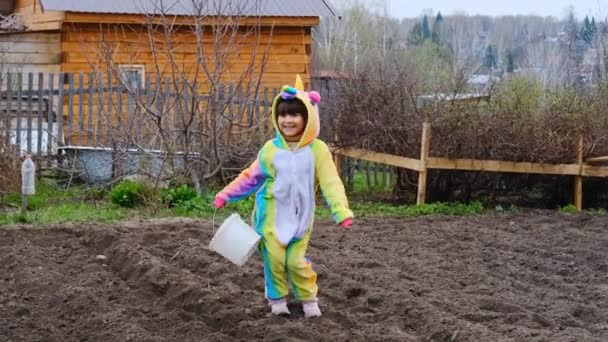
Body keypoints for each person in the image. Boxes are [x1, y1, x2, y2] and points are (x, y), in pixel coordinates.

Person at [213, 76, 353, 318]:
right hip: (270, 218)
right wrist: (226, 194)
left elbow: (331, 182)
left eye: (294, 115)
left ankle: (309, 300)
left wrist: (340, 210)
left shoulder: (318, 150)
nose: (287, 120)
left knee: (296, 262)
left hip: (301, 221)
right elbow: (250, 177)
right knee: (275, 260)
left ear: (307, 117)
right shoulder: (270, 150)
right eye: (283, 115)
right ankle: (277, 301)